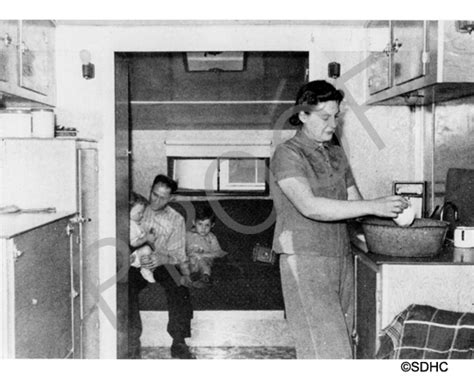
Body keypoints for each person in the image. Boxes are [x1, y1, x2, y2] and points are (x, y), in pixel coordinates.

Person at [270, 80, 409, 359]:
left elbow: (354, 202)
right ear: (302, 115)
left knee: (342, 344)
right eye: (324, 117)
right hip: (305, 258)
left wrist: (390, 212)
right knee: (329, 352)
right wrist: (376, 206)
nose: (332, 123)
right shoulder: (288, 154)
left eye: (336, 116)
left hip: (340, 256)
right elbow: (310, 207)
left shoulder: (335, 153)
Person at [128, 174, 195, 359]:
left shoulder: (176, 219)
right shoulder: (137, 209)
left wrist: (162, 258)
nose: (156, 201)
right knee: (126, 286)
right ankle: (132, 341)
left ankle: (179, 342)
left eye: (163, 197)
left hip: (163, 263)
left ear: (171, 198)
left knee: (179, 285)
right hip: (136, 261)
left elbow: (179, 254)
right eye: (154, 194)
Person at [185, 205, 227, 285]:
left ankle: (205, 277)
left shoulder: (211, 238)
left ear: (212, 225)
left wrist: (204, 255)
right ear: (194, 222)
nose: (203, 228)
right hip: (190, 259)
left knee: (203, 264)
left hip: (205, 259)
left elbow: (219, 252)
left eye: (207, 225)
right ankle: (192, 275)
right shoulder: (187, 234)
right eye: (200, 224)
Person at [129, 192, 156, 283]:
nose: (142, 215)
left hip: (138, 254)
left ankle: (149, 269)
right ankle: (145, 271)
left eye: (142, 212)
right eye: (139, 213)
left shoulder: (136, 222)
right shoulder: (131, 225)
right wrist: (146, 238)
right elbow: (133, 243)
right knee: (147, 249)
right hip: (132, 257)